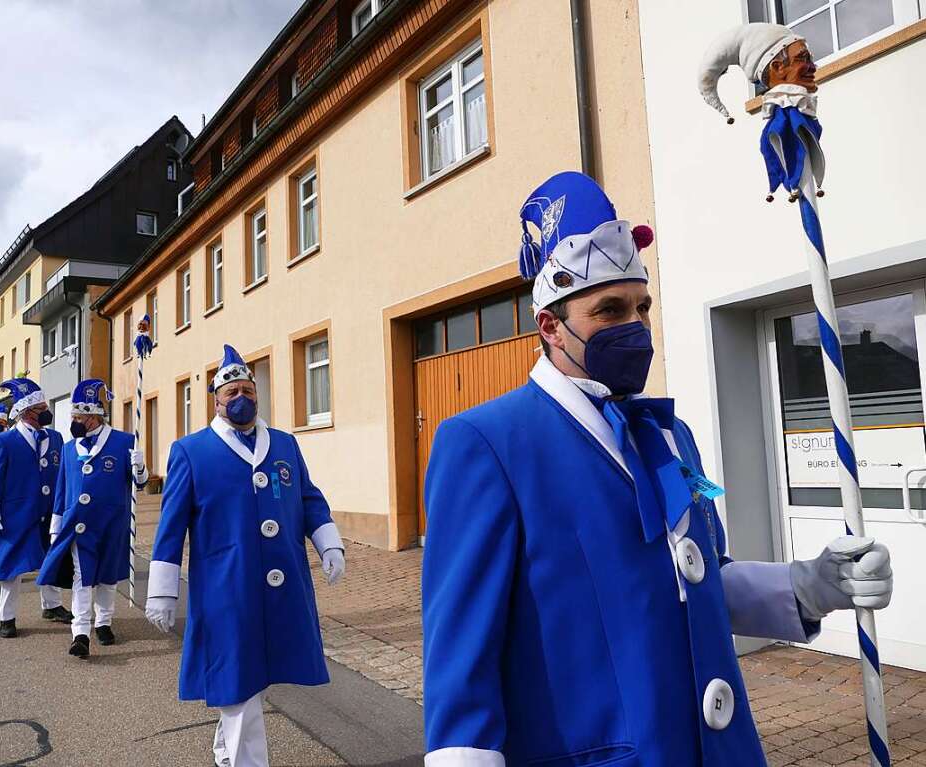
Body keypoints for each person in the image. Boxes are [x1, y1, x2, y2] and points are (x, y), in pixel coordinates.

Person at [420, 172, 894, 766]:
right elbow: (461, 654)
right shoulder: (486, 443)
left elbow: (700, 584)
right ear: (550, 326)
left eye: (642, 307)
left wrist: (810, 586)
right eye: (609, 310)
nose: (636, 327)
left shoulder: (670, 435)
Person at [145, 344, 346, 767]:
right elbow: (171, 527)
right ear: (216, 400)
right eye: (231, 391)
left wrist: (328, 542)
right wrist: (161, 591)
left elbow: (308, 498)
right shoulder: (191, 451)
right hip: (226, 591)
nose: (241, 398)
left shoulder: (286, 445)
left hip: (282, 587)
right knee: (237, 680)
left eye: (248, 390)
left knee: (251, 680)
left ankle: (225, 748)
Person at [37, 378, 148, 658]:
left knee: (108, 576)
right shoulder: (69, 448)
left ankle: (104, 622)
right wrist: (56, 527)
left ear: (93, 417)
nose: (73, 421)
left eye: (77, 416)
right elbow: (62, 490)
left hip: (112, 523)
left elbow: (141, 483)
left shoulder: (124, 442)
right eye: (73, 416)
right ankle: (81, 632)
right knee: (82, 576)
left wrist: (140, 466)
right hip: (78, 524)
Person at [0, 378, 74, 637]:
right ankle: (6, 618)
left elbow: (62, 474)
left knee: (51, 559)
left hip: (48, 513)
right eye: (41, 407)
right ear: (26, 412)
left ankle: (52, 606)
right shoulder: (4, 442)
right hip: (17, 515)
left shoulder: (54, 438)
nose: (47, 412)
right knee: (13, 568)